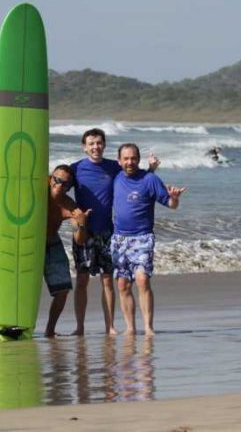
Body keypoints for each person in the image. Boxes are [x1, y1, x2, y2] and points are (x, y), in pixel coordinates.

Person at [69, 128, 159, 336]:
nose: (95, 147)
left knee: (108, 280)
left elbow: (135, 180)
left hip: (109, 232)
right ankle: (80, 327)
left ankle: (110, 326)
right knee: (82, 280)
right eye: (91, 143)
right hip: (83, 232)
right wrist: (71, 214)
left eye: (99, 143)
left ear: (104, 145)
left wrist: (151, 170)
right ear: (84, 147)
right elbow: (58, 191)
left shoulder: (113, 167)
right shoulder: (76, 169)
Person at [112, 143, 186, 336]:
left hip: (143, 237)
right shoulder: (116, 177)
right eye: (126, 158)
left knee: (142, 280)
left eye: (134, 158)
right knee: (122, 284)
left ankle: (148, 327)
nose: (130, 162)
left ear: (139, 159)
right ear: (119, 161)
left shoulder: (150, 180)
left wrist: (175, 198)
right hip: (119, 239)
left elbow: (170, 204)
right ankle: (130, 328)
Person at [44, 164, 90, 337]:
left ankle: (49, 330)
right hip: (30, 244)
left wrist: (82, 223)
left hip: (52, 243)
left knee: (63, 290)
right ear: (50, 178)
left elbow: (80, 240)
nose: (59, 185)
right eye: (56, 180)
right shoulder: (36, 190)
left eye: (65, 184)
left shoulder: (69, 204)